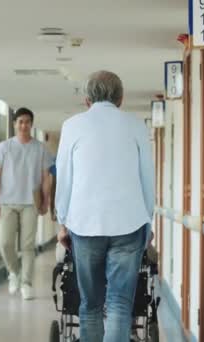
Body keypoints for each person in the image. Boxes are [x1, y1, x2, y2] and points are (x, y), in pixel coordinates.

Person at [55, 70, 155, 342]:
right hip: (129, 224)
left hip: (84, 224)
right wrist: (148, 220)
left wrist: (62, 221)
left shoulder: (72, 126)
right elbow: (147, 176)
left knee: (90, 306)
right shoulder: (135, 126)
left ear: (87, 100)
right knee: (121, 304)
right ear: (120, 99)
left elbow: (64, 177)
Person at [0, 107, 53, 300]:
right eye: (20, 121)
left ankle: (26, 283)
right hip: (7, 202)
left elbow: (46, 177)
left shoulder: (40, 148)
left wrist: (46, 201)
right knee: (5, 242)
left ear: (32, 125)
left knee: (27, 245)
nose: (24, 125)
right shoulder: (4, 147)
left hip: (30, 202)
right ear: (15, 124)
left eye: (27, 121)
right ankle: (14, 272)